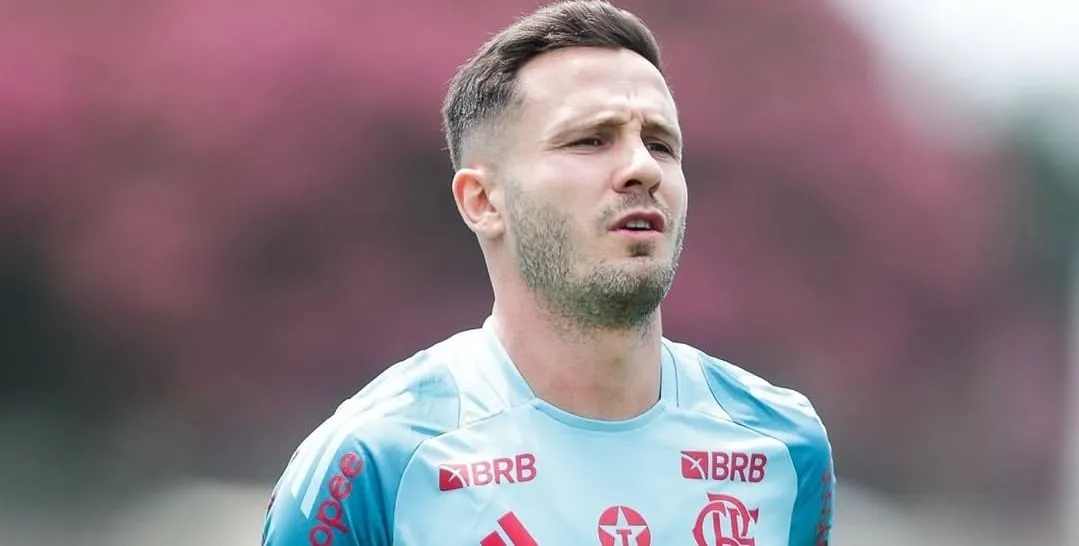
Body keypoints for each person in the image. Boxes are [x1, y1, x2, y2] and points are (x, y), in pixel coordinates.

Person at [262, 1, 835, 544]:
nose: (641, 167)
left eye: (660, 145)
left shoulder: (784, 446)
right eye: (591, 139)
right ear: (483, 201)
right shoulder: (372, 463)